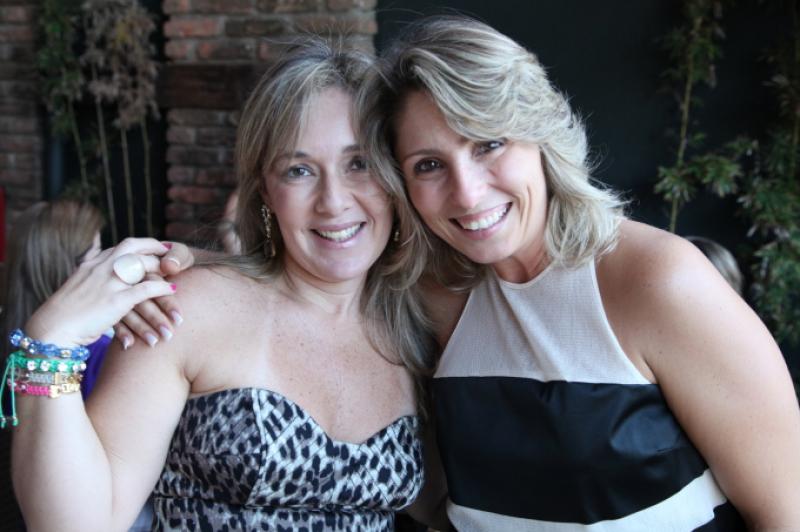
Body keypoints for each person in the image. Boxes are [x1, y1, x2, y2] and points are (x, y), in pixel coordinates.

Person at [359, 16, 800, 530]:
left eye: (489, 143)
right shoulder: (428, 297)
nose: (468, 192)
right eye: (429, 165)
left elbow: (786, 512)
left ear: (541, 137)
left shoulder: (657, 279)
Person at [11, 39, 441, 531]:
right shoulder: (188, 310)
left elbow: (453, 505)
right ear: (265, 191)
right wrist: (49, 342)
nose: (333, 201)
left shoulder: (418, 324)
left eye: (359, 163)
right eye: (299, 170)